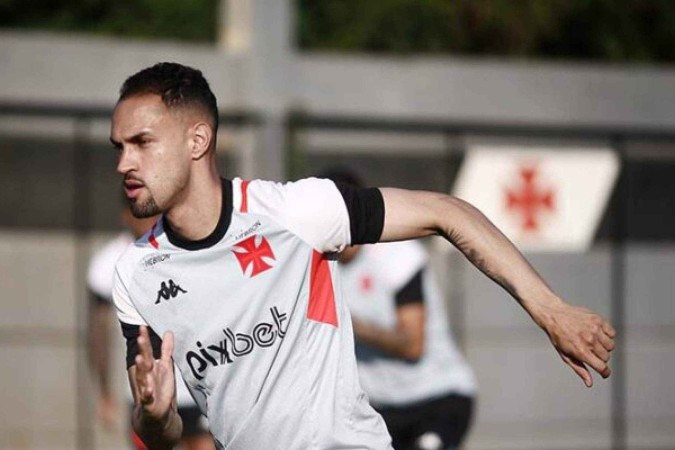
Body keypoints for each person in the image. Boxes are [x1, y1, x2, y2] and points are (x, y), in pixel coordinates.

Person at [109, 62, 616, 450]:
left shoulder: (296, 212)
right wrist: (153, 415)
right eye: (119, 147)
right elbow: (163, 431)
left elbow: (447, 212)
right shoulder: (135, 275)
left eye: (142, 143)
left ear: (198, 140)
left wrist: (550, 309)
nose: (124, 163)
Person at [322, 168, 475, 450]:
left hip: (435, 398)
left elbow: (412, 345)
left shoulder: (395, 254)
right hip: (380, 410)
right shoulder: (318, 265)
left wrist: (350, 324)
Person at [87, 203, 215, 450]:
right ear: (126, 216)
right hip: (146, 392)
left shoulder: (186, 247)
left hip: (195, 387)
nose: (151, 220)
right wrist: (103, 393)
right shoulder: (110, 263)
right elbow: (98, 333)